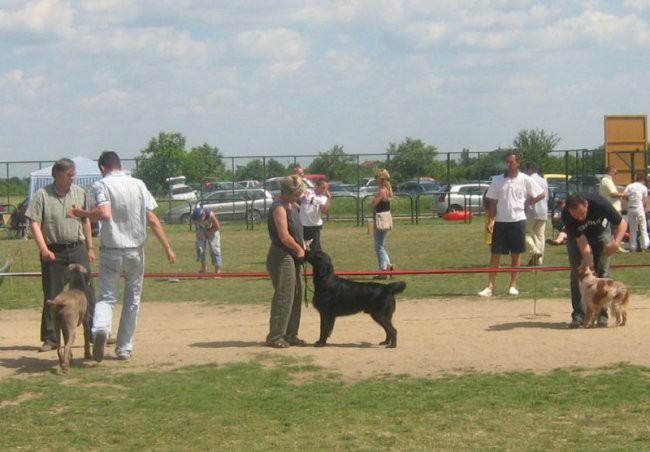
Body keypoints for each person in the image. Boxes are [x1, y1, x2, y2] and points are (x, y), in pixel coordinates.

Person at [68, 151, 176, 361]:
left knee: (107, 297)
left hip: (111, 250)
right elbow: (152, 218)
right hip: (135, 251)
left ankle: (100, 328)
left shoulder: (101, 185)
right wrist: (168, 247)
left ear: (102, 168)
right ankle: (124, 348)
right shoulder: (138, 184)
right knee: (132, 299)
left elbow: (105, 214)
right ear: (120, 165)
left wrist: (83, 214)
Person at [25, 158, 98, 352]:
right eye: (69, 175)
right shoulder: (42, 195)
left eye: (73, 174)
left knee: (87, 292)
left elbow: (85, 221)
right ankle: (51, 338)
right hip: (54, 252)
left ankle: (94, 332)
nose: (73, 178)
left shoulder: (80, 192)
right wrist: (44, 249)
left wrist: (90, 248)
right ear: (57, 175)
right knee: (52, 294)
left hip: (78, 248)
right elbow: (34, 223)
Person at [478, 152, 545, 297]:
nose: (509, 164)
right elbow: (492, 202)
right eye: (507, 162)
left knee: (516, 254)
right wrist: (491, 220)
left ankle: (513, 285)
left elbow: (541, 194)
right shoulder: (497, 180)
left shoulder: (525, 179)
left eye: (512, 162)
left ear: (518, 163)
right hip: (501, 221)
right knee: (495, 254)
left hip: (518, 220)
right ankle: (490, 286)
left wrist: (529, 202)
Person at [563, 192, 627, 328]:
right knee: (578, 275)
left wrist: (615, 244)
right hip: (579, 239)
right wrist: (589, 263)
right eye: (576, 216)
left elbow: (622, 224)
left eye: (582, 214)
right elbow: (580, 240)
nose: (580, 218)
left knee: (603, 273)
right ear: (569, 211)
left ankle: (602, 316)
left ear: (586, 204)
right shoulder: (566, 215)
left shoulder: (600, 203)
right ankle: (579, 316)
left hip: (601, 233)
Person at [265, 174, 307, 348]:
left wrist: (303, 244)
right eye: (297, 194)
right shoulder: (279, 208)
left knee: (296, 295)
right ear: (288, 192)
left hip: (292, 255)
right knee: (284, 296)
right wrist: (298, 249)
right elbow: (284, 236)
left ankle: (291, 334)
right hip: (281, 256)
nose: (299, 197)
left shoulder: (291, 205)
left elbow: (296, 231)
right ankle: (275, 337)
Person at [523, 162, 549, 265]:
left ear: (529, 169)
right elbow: (547, 196)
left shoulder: (528, 180)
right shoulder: (543, 181)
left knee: (524, 233)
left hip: (532, 210)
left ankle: (535, 250)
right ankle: (539, 261)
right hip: (543, 210)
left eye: (525, 169)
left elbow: (526, 195)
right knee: (540, 236)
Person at [371, 168, 395, 280]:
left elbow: (373, 204)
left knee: (378, 246)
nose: (375, 180)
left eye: (376, 178)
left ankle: (384, 270)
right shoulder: (387, 190)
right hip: (386, 218)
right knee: (381, 245)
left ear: (380, 179)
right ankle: (389, 266)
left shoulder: (382, 191)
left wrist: (374, 198)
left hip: (380, 219)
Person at [599, 166, 627, 253]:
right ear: (610, 172)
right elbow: (613, 194)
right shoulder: (607, 181)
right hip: (612, 208)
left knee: (612, 228)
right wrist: (624, 195)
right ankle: (614, 245)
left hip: (612, 207)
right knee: (619, 226)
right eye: (615, 173)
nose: (615, 175)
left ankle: (613, 245)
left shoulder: (606, 181)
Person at [299, 179, 331, 252]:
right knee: (300, 246)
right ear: (317, 186)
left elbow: (324, 210)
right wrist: (303, 195)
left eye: (326, 188)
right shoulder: (308, 192)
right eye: (323, 187)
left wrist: (329, 198)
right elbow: (298, 198)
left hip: (314, 226)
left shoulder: (323, 198)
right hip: (302, 224)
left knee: (315, 249)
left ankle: (319, 261)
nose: (324, 190)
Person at [191, 207, 223, 273]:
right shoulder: (195, 217)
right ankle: (203, 268)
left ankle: (217, 271)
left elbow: (217, 226)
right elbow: (198, 227)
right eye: (197, 220)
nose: (198, 221)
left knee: (214, 248)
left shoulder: (210, 214)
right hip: (202, 229)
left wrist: (209, 233)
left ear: (203, 215)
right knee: (200, 248)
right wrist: (199, 234)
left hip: (213, 229)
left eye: (199, 219)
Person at [623, 172, 649, 252]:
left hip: (630, 208)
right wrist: (644, 208)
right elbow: (644, 200)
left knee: (632, 229)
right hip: (639, 208)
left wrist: (629, 202)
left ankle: (633, 247)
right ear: (643, 180)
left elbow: (625, 196)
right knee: (643, 228)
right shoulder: (643, 187)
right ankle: (644, 246)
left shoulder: (629, 186)